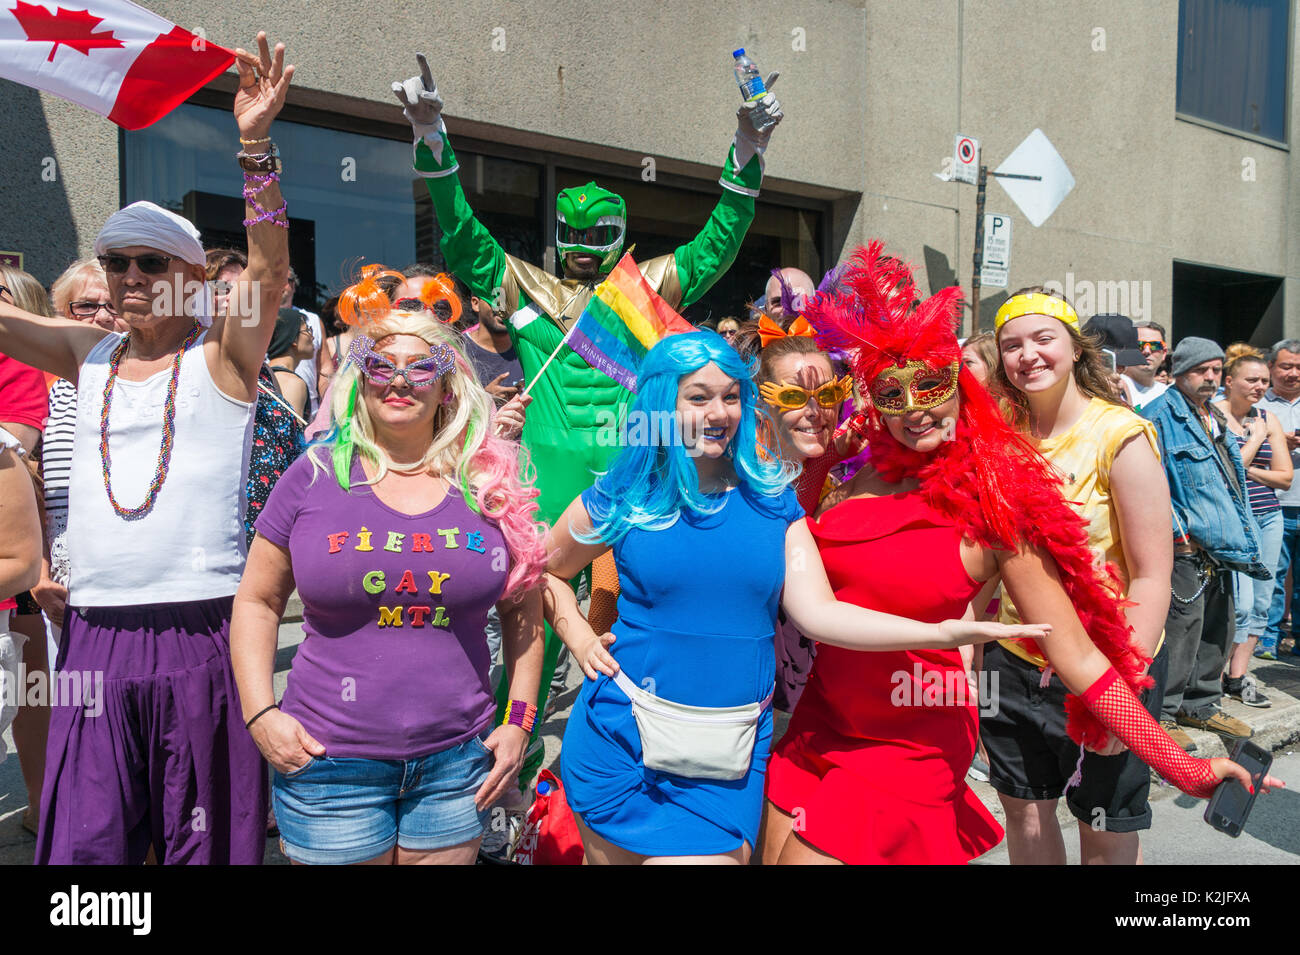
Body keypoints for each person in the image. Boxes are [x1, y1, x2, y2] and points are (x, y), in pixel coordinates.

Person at [761, 244, 1277, 866]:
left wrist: (1179, 764)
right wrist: (822, 452)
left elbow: (1079, 652)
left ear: (962, 388)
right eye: (891, 393)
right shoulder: (859, 474)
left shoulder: (997, 506)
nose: (915, 406)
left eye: (930, 383)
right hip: (822, 717)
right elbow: (791, 531)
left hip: (908, 734)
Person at [392, 53, 784, 784]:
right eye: (572, 233)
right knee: (529, 626)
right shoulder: (528, 290)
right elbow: (463, 233)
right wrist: (434, 140)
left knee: (637, 620)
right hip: (547, 476)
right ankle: (518, 763)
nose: (581, 244)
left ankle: (629, 761)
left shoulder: (646, 287)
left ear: (618, 229)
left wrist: (747, 154)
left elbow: (719, 242)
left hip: (635, 473)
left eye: (597, 231)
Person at [541, 330, 1051, 864]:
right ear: (660, 403)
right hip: (621, 736)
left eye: (731, 396)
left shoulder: (772, 501)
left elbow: (820, 614)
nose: (720, 412)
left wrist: (941, 633)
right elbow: (542, 573)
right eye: (698, 397)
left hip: (726, 755)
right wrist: (576, 634)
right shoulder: (623, 496)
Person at [0, 33, 293, 864]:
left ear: (193, 278)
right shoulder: (85, 354)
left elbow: (268, 274)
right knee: (89, 849)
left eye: (147, 262)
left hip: (205, 630)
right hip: (93, 636)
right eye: (113, 262)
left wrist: (255, 146)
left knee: (198, 843)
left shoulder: (223, 356)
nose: (126, 276)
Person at [230, 276, 547, 865]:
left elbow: (524, 608)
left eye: (421, 368)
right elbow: (258, 601)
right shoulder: (314, 475)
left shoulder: (488, 484)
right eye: (382, 364)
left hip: (458, 763)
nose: (399, 380)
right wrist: (259, 713)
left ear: (447, 386)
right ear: (361, 377)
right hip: (327, 762)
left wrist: (520, 722)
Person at [987, 288, 1172, 866]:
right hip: (1017, 660)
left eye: (1044, 339)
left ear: (1075, 348)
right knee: (1025, 811)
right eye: (1012, 345)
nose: (1028, 356)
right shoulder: (998, 438)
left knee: (1104, 822)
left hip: (1112, 662)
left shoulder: (1120, 434)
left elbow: (1151, 576)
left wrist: (1120, 693)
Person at [1142, 337, 1265, 745]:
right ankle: (1168, 712)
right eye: (1201, 370)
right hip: (1184, 545)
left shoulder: (1210, 414)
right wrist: (1178, 536)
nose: (1210, 378)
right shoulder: (1159, 415)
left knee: (1218, 626)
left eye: (1216, 370)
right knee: (1182, 630)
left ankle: (1202, 704)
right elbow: (1154, 484)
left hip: (1220, 543)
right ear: (1179, 372)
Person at [0, 266, 53, 837]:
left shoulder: (21, 361)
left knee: (32, 681)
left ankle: (45, 802)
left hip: (33, 532)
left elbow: (14, 439)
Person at [1215, 353, 1291, 695]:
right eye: (1251, 380)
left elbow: (1285, 477)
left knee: (1261, 601)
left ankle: (1237, 677)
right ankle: (1211, 681)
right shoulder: (1213, 414)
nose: (1259, 387)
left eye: (1263, 380)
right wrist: (1257, 439)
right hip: (1231, 519)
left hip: (1268, 516)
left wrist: (1247, 470)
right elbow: (1223, 471)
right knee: (1239, 605)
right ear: (1229, 381)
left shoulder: (1266, 416)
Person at [1256, 339, 1300, 659]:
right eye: (1286, 366)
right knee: (1270, 575)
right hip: (1272, 506)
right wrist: (1276, 442)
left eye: (1299, 368)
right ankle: (1266, 638)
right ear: (1271, 367)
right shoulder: (1258, 404)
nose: (1293, 373)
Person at [1083, 313, 1146, 407]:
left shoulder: (1123, 387)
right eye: (1117, 363)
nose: (1121, 370)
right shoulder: (1069, 387)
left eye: (1124, 364)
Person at [266, 307, 315, 418]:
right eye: (307, 330)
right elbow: (291, 433)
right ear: (292, 338)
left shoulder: (264, 375)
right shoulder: (292, 383)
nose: (313, 337)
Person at [1128, 321, 1170, 411]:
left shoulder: (1168, 394)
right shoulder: (1113, 387)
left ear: (1164, 353)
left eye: (1155, 346)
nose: (1147, 351)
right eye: (1139, 345)